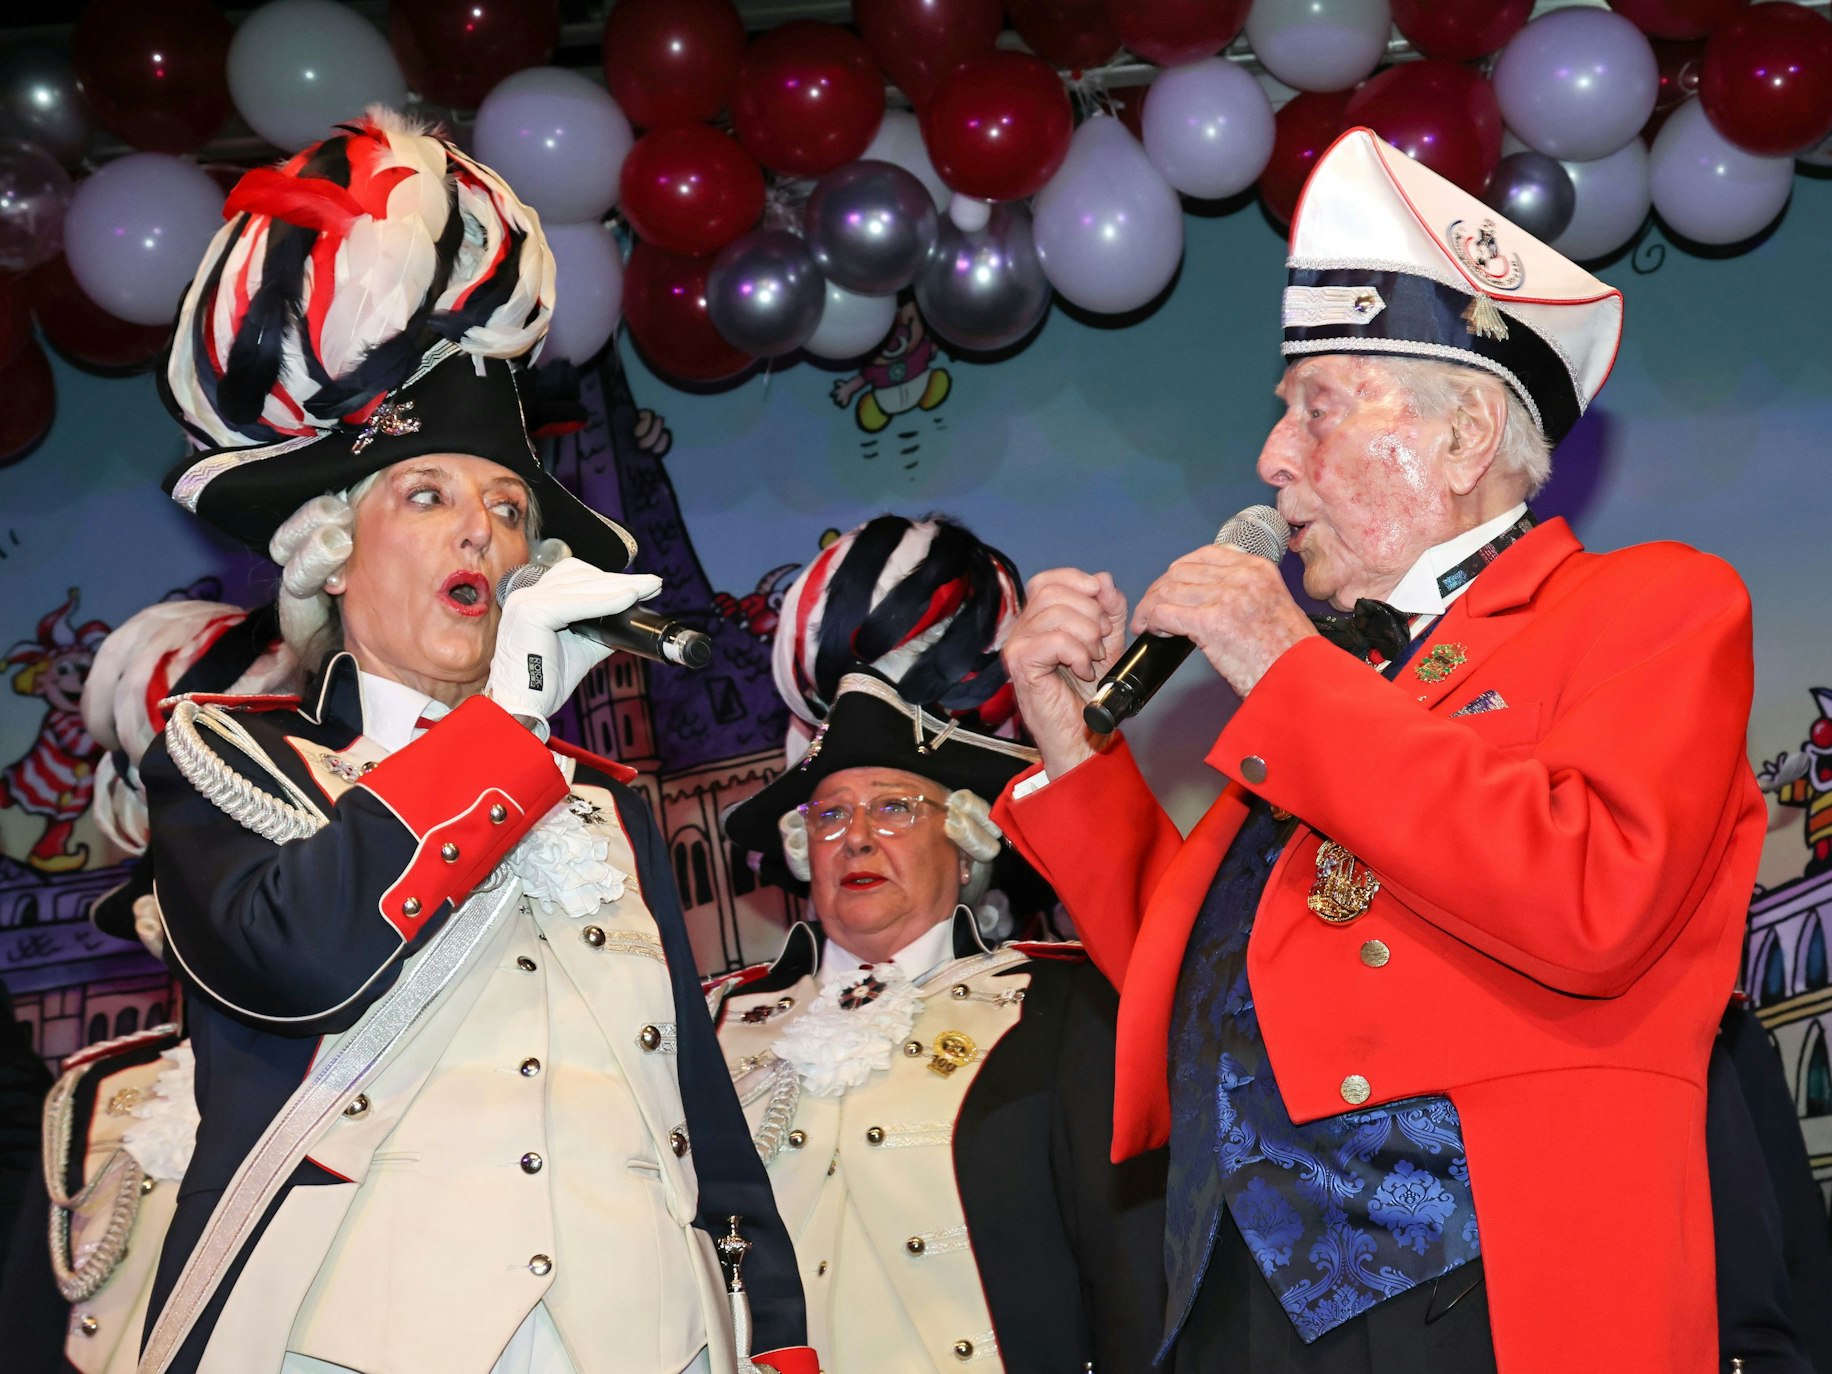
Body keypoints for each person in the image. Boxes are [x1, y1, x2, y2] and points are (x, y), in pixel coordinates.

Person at [991, 127, 1766, 1373]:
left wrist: (1280, 665)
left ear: (1461, 440)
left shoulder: (1646, 606)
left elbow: (1591, 900)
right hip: (1236, 1302)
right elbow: (1205, 992)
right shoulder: (1332, 681)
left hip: (1491, 1299)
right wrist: (1067, 742)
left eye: (1315, 408)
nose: (1269, 460)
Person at [134, 111, 813, 1374]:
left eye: (508, 511)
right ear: (333, 551)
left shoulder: (606, 803)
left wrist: (774, 1340)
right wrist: (504, 727)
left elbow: (698, 1117)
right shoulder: (225, 761)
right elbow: (298, 961)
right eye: (431, 496)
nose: (482, 536)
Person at [718, 671, 1167, 1373]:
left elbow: (1129, 1264)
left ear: (965, 847)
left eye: (893, 808)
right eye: (829, 817)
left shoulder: (1061, 1005)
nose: (856, 838)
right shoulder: (714, 1020)